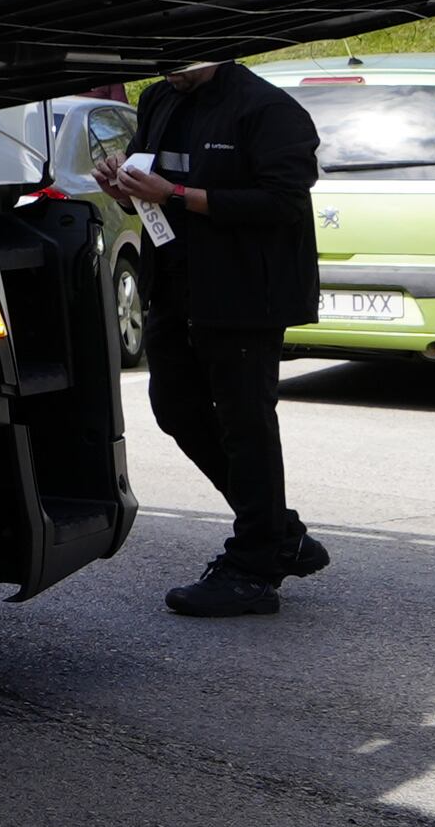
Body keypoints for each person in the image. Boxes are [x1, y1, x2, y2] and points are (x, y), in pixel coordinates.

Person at [104, 58, 327, 617]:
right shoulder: (160, 99)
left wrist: (175, 193)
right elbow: (150, 191)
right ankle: (280, 534)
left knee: (246, 423)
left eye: (178, 63)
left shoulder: (269, 109)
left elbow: (283, 203)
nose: (168, 72)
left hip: (246, 292)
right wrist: (123, 189)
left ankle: (254, 570)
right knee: (176, 410)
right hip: (175, 285)